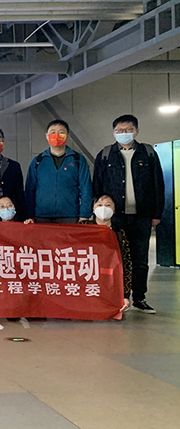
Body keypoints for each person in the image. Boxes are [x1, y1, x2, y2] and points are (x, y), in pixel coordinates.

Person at [93, 114, 164, 314]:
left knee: (140, 259)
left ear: (136, 131)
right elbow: (97, 185)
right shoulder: (106, 154)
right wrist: (99, 212)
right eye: (119, 130)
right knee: (115, 258)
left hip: (142, 216)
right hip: (115, 217)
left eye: (128, 130)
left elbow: (158, 185)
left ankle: (140, 298)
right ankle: (118, 297)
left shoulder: (148, 153)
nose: (124, 133)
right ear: (113, 133)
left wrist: (157, 213)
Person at [25, 120, 92, 224]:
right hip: (42, 216)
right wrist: (30, 215)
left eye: (61, 132)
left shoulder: (78, 160)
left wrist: (84, 214)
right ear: (47, 136)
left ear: (67, 136)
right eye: (53, 132)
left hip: (70, 216)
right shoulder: (38, 161)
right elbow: (30, 190)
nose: (56, 135)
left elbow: (86, 188)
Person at [82, 195, 133, 313]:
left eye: (108, 205)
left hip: (109, 282)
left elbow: (126, 264)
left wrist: (125, 296)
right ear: (93, 209)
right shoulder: (83, 228)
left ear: (114, 210)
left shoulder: (119, 233)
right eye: (99, 205)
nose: (103, 208)